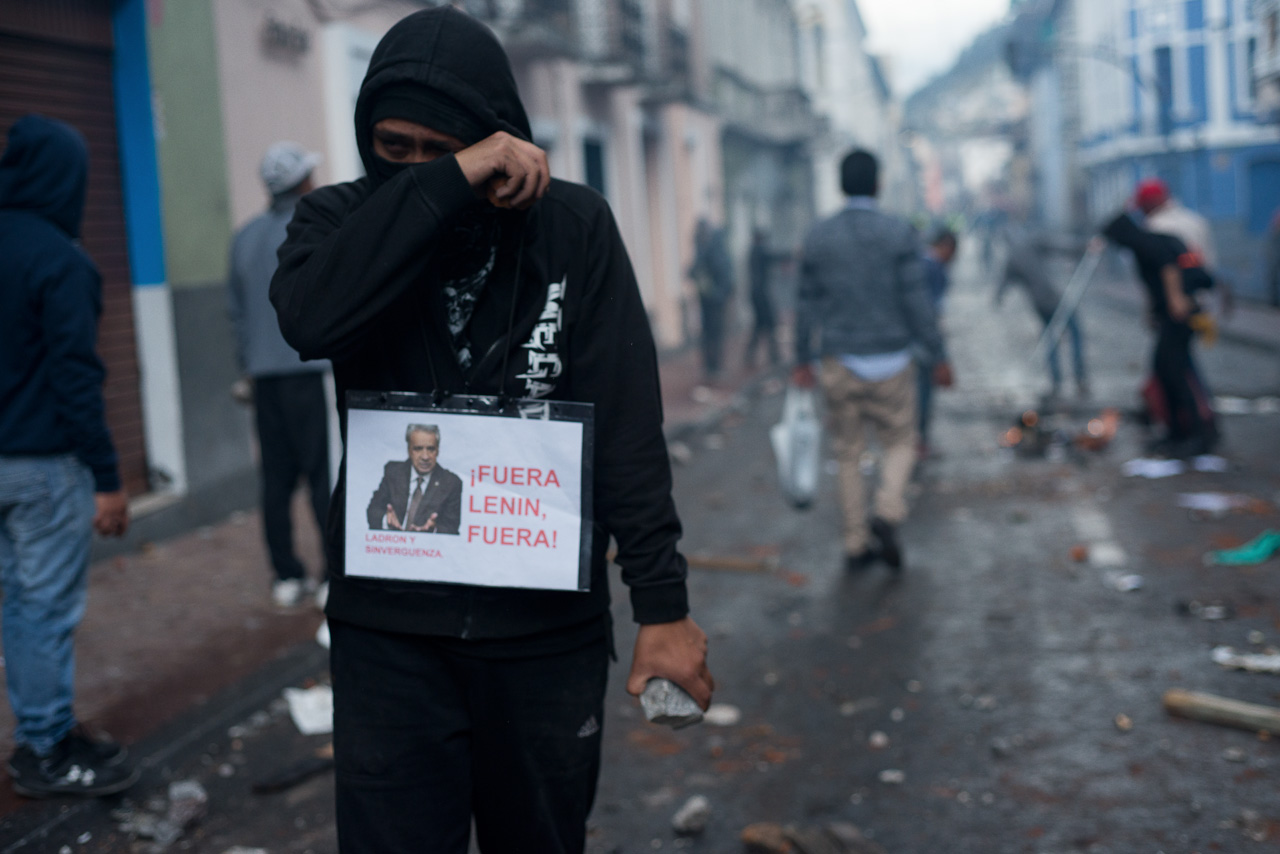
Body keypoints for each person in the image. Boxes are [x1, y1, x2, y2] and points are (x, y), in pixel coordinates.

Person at [269, 8, 713, 852]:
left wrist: (663, 606)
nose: (415, 170)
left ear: (499, 132)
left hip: (544, 638)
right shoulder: (335, 224)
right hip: (390, 637)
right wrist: (450, 177)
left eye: (443, 148)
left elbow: (626, 426)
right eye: (393, 148)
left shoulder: (574, 228)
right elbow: (311, 320)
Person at [0, 114, 138, 797]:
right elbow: (76, 379)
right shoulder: (61, 259)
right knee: (43, 610)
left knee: (17, 606)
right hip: (43, 466)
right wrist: (108, 481)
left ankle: (44, 728)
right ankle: (46, 749)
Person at [793, 149, 953, 573]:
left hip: (840, 360)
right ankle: (886, 511)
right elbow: (917, 302)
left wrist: (799, 359)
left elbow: (805, 304)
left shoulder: (818, 236)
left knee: (847, 454)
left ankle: (855, 544)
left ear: (841, 185)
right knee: (901, 443)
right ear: (878, 184)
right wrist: (937, 354)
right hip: (892, 361)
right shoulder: (899, 233)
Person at [228, 141, 332, 609]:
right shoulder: (316, 229)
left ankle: (285, 576)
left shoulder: (244, 238)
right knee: (322, 476)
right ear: (302, 183)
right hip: (310, 374)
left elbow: (236, 315)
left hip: (263, 378)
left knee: (275, 480)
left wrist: (248, 366)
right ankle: (333, 572)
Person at [1102, 209, 1218, 456]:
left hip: (1180, 316)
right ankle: (1177, 432)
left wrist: (1175, 298)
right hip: (1170, 316)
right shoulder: (1144, 243)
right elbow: (1152, 281)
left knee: (1175, 373)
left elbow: (1168, 267)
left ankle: (1197, 435)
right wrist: (1152, 310)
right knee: (1165, 371)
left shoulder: (1146, 243)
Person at [995, 222, 1089, 399]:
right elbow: (1060, 246)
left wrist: (998, 298)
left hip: (1039, 303)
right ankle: (1079, 377)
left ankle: (1056, 381)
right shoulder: (1031, 243)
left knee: (1050, 339)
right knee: (1074, 333)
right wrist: (1083, 246)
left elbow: (1002, 285)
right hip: (1054, 299)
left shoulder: (1012, 259)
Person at [365, 424, 462, 534]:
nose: (425, 456)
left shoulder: (451, 483)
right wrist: (386, 520)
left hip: (428, 548)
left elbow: (452, 528)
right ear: (409, 450)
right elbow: (373, 511)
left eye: (430, 449)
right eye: (418, 449)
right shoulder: (393, 471)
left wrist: (434, 529)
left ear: (438, 451)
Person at [917, 228, 957, 453]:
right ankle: (919, 440)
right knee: (923, 391)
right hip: (923, 339)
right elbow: (932, 311)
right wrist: (940, 351)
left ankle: (917, 438)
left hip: (910, 338)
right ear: (946, 247)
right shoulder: (934, 268)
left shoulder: (918, 262)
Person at [689, 218, 734, 380]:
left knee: (712, 334)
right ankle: (712, 368)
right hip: (712, 301)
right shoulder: (710, 249)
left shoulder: (707, 248)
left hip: (712, 299)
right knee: (714, 334)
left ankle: (713, 367)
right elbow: (695, 271)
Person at [744, 229, 785, 369]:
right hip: (761, 296)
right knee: (770, 325)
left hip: (757, 295)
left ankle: (752, 356)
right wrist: (792, 254)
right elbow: (773, 256)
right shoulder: (758, 251)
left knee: (759, 327)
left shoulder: (754, 251)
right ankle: (774, 356)